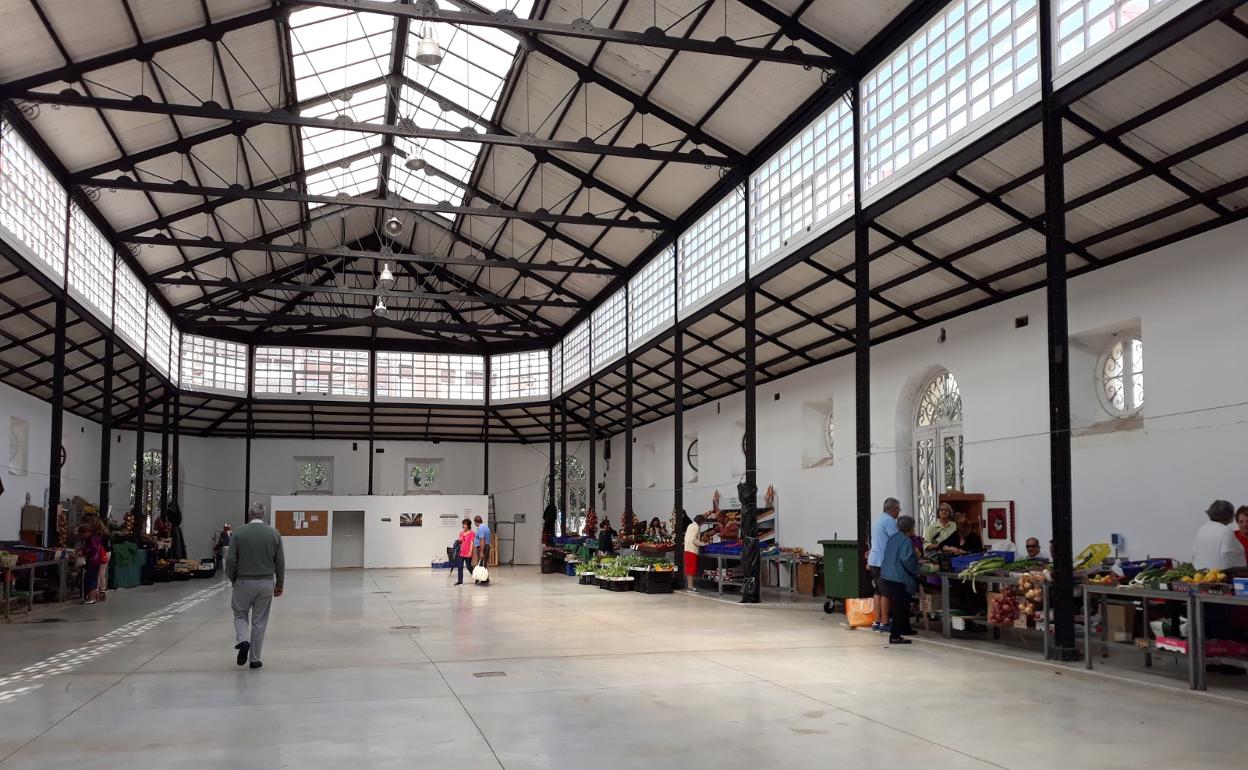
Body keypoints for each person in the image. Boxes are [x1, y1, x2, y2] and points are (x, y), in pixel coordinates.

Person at [226, 503, 285, 670]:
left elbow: (230, 559)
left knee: (240, 615)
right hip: (266, 583)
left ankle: (243, 641)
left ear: (249, 515)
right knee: (259, 621)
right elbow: (280, 561)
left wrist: (233, 578)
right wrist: (279, 584)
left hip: (243, 581)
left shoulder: (239, 533)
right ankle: (255, 659)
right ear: (263, 515)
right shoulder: (274, 533)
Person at [881, 515, 921, 644]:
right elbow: (907, 559)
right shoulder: (906, 541)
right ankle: (895, 636)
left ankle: (905, 628)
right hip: (898, 577)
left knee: (903, 604)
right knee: (900, 606)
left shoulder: (893, 538)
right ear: (910, 528)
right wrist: (916, 570)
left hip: (887, 575)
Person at [867, 497, 901, 634]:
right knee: (886, 592)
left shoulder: (878, 520)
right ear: (893, 509)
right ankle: (885, 622)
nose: (899, 512)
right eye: (898, 509)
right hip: (883, 562)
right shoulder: (890, 521)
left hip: (874, 561)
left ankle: (877, 620)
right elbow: (896, 541)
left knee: (878, 591)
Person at [1192, 500, 1247, 571]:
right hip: (1219, 576)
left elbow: (1194, 552)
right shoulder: (1225, 531)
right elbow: (1228, 556)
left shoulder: (1203, 528)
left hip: (1200, 574)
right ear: (1228, 515)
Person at [76, 524, 102, 604]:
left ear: (87, 532)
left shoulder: (91, 539)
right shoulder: (93, 538)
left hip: (93, 562)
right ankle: (91, 597)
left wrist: (85, 554)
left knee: (91, 579)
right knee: (92, 579)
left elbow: (92, 549)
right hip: (96, 562)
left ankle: (91, 598)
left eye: (82, 533)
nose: (81, 536)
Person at [683, 514, 706, 590]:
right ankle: (690, 586)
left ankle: (689, 585)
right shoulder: (696, 527)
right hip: (692, 550)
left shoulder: (690, 525)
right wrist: (703, 544)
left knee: (689, 569)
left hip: (687, 549)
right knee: (691, 569)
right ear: (701, 521)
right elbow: (694, 540)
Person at [454, 518, 475, 586]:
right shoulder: (461, 533)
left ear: (468, 525)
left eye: (465, 524)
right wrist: (459, 541)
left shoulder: (472, 533)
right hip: (461, 552)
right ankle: (460, 581)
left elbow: (472, 543)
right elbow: (460, 542)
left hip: (468, 553)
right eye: (463, 524)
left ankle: (477, 578)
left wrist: (470, 552)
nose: (463, 525)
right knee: (460, 566)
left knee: (469, 567)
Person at [473, 515, 491, 585]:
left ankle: (483, 579)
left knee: (481, 563)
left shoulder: (480, 528)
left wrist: (481, 551)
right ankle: (484, 578)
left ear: (475, 522)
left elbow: (482, 540)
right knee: (484, 563)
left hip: (482, 547)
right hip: (486, 547)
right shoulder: (486, 527)